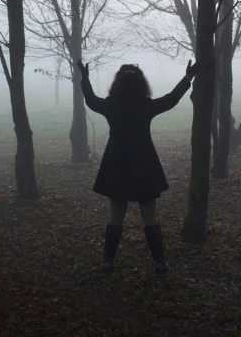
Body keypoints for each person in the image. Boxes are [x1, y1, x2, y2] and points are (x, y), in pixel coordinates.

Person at [77, 59, 198, 274]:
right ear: (142, 84)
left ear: (117, 84)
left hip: (117, 164)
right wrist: (188, 77)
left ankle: (108, 261)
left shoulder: (110, 105)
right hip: (144, 164)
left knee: (116, 214)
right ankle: (159, 262)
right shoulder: (145, 106)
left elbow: (90, 100)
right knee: (150, 215)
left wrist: (85, 78)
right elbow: (171, 99)